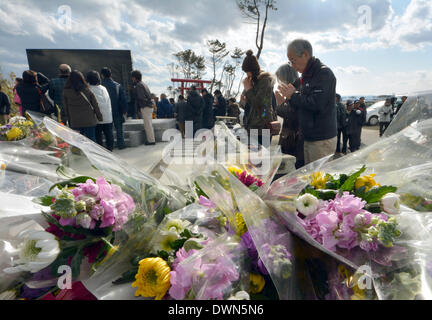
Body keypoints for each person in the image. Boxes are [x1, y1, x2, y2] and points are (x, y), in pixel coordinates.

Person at [276, 39, 337, 164]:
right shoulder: (306, 75)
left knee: (319, 179)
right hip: (308, 137)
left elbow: (317, 104)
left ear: (305, 55)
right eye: (290, 61)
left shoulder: (323, 73)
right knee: (310, 178)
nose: (292, 65)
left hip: (321, 138)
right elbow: (301, 106)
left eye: (293, 60)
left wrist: (292, 96)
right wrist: (288, 99)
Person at [241, 50, 276, 146]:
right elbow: (252, 104)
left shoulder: (265, 81)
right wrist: (246, 97)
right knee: (252, 158)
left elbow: (259, 103)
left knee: (261, 158)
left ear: (252, 70)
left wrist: (248, 89)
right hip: (254, 126)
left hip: (263, 126)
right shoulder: (255, 81)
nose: (247, 75)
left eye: (247, 72)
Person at [275, 63, 304, 169]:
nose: (280, 83)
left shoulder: (297, 91)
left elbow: (295, 117)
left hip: (295, 141)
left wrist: (281, 104)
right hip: (289, 139)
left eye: (280, 79)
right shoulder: (294, 89)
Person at [62, 70, 103, 141]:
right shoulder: (87, 90)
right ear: (81, 78)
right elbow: (95, 105)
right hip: (89, 121)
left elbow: (65, 108)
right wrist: (99, 117)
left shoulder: (65, 92)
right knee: (91, 140)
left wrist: (67, 120)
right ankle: (92, 152)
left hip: (75, 122)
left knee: (77, 142)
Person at [101, 67, 128, 150]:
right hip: (117, 111)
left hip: (105, 112)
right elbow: (123, 99)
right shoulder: (117, 85)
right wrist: (124, 111)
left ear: (102, 75)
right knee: (119, 128)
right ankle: (121, 144)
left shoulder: (100, 86)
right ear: (111, 75)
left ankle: (110, 146)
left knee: (108, 130)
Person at [87, 70, 114, 151]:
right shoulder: (103, 88)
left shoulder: (89, 89)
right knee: (109, 134)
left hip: (97, 117)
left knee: (98, 136)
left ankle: (101, 152)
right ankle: (110, 150)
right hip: (108, 116)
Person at [132, 70, 156, 145]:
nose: (132, 79)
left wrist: (141, 106)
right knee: (149, 124)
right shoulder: (143, 84)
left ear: (135, 78)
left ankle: (151, 141)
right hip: (149, 106)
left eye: (132, 77)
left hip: (146, 106)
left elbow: (141, 97)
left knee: (147, 125)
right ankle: (151, 139)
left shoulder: (138, 85)